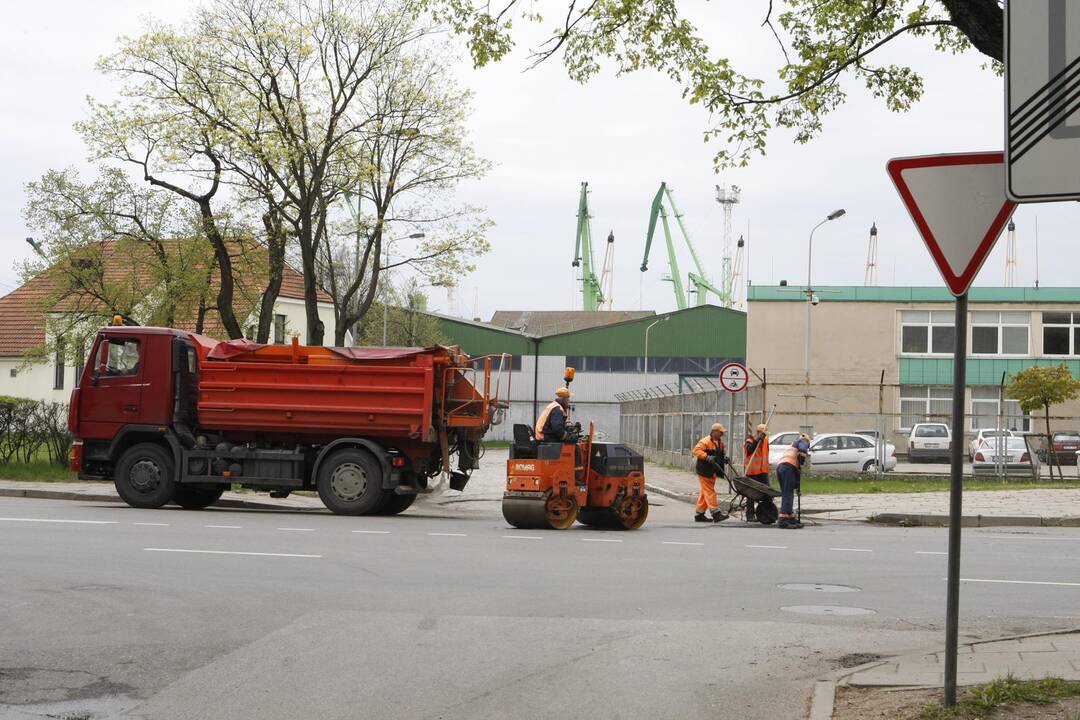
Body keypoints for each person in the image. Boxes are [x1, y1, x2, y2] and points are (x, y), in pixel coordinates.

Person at [692, 423, 729, 523]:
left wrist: (724, 459)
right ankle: (716, 513)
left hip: (712, 471)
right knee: (710, 492)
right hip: (704, 471)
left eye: (722, 432)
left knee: (705, 493)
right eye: (720, 432)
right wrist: (706, 457)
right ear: (714, 432)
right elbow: (696, 451)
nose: (722, 434)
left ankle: (699, 514)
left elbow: (720, 455)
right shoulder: (705, 441)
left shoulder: (720, 443)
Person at [775, 437, 810, 529]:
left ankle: (790, 518)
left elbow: (796, 470)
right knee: (788, 494)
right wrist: (802, 457)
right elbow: (803, 449)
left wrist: (797, 486)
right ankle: (783, 521)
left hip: (782, 468)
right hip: (787, 468)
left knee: (788, 493)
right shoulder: (802, 442)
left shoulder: (792, 446)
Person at [743, 423, 771, 522]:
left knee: (767, 493)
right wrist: (757, 440)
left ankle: (767, 513)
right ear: (758, 432)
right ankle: (750, 515)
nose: (764, 436)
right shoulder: (750, 440)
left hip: (763, 471)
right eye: (762, 434)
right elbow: (749, 451)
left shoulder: (765, 441)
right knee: (751, 494)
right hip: (752, 471)